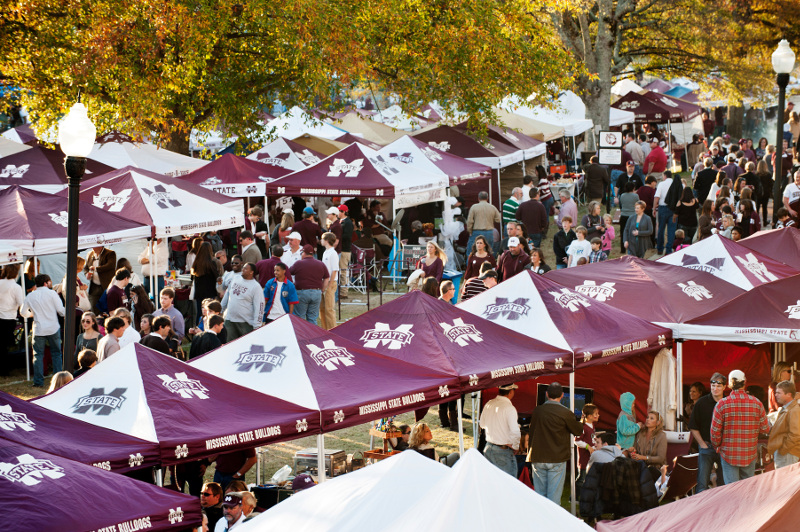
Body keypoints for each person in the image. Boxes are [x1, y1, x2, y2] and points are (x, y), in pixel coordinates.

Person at [527, 382, 584, 504]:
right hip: (557, 457)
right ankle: (552, 522)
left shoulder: (537, 410)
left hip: (538, 456)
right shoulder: (566, 413)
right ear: (562, 395)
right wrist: (582, 420)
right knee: (554, 498)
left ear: (547, 394)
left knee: (539, 497)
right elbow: (578, 430)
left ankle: (540, 521)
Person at [710, 370, 770, 483]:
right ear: (745, 382)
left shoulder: (722, 404)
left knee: (732, 490)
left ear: (729, 384)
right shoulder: (757, 403)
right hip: (750, 452)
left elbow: (714, 432)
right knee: (747, 490)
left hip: (728, 453)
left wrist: (718, 446)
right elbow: (765, 428)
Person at [20, 274, 65, 387]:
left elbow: (22, 312)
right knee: (56, 354)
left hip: (39, 328)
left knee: (38, 355)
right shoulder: (52, 293)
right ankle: (58, 381)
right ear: (46, 283)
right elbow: (61, 310)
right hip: (53, 327)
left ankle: (38, 382)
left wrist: (32, 315)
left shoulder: (31, 295)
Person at [689, 372, 727, 492]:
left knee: (724, 483)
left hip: (724, 448)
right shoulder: (701, 403)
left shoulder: (728, 402)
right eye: (713, 386)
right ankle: (700, 509)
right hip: (707, 446)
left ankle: (723, 509)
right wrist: (702, 444)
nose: (715, 389)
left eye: (719, 386)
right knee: (702, 483)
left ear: (725, 387)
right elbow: (693, 426)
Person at [480, 383, 521, 476]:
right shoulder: (509, 408)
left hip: (488, 447)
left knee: (490, 481)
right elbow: (515, 431)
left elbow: (482, 424)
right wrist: (515, 446)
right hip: (502, 450)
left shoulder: (489, 403)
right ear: (510, 392)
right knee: (507, 483)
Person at [221, 262, 264, 340]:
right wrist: (221, 309)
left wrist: (257, 326)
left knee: (245, 346)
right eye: (243, 267)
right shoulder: (235, 279)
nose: (242, 269)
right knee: (228, 345)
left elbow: (259, 307)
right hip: (230, 319)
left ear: (252, 272)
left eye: (245, 268)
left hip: (245, 323)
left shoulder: (256, 287)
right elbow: (227, 295)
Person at [290, 245, 329, 324]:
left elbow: (288, 272)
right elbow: (327, 278)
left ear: (304, 253)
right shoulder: (320, 264)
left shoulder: (298, 263)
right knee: (312, 318)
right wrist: (322, 289)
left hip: (302, 292)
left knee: (300, 318)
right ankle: (312, 336)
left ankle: (301, 336)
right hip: (316, 292)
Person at [767, 380, 800, 469]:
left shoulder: (794, 410)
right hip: (786, 453)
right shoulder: (788, 408)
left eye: (779, 393)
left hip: (788, 454)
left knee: (785, 481)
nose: (775, 395)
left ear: (788, 394)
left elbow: (795, 435)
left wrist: (783, 450)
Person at [0, 264, 23, 375]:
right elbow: (21, 303)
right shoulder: (15, 287)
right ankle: (4, 370)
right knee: (5, 346)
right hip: (8, 318)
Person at [191, 242, 221, 317]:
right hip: (210, 293)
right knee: (209, 314)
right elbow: (216, 277)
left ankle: (199, 327)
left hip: (199, 293)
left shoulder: (196, 263)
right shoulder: (212, 264)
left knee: (200, 313)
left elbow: (192, 277)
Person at [83, 246, 116, 313]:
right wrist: (87, 274)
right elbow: (86, 268)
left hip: (106, 286)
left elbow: (110, 265)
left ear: (100, 246)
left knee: (108, 309)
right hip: (94, 287)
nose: (92, 248)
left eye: (94, 246)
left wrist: (96, 269)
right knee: (93, 308)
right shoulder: (90, 254)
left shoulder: (110, 253)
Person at [575, 404, 599, 488]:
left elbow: (591, 438)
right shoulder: (582, 427)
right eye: (596, 413)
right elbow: (577, 441)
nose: (598, 415)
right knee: (582, 479)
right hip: (584, 459)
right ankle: (575, 498)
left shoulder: (592, 426)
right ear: (589, 416)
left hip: (591, 458)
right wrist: (588, 447)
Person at [319, 232, 339, 329]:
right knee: (322, 308)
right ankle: (325, 328)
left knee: (329, 309)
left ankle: (332, 329)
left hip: (330, 282)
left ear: (326, 241)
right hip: (325, 282)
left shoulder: (333, 253)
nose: (321, 241)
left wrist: (330, 285)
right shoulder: (325, 252)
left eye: (322, 239)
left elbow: (334, 270)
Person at [337, 205, 354, 299]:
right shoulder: (343, 222)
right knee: (341, 270)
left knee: (343, 270)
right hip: (342, 249)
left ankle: (344, 292)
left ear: (343, 212)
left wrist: (337, 238)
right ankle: (342, 291)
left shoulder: (348, 223)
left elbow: (347, 236)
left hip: (345, 250)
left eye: (338, 211)